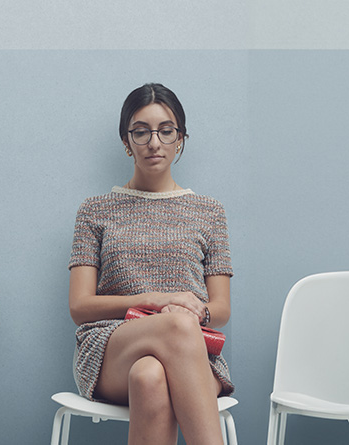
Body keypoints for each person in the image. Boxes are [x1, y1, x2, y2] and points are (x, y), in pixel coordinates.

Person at [67, 83, 233, 445]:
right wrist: (156, 300)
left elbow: (220, 309)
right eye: (141, 132)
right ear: (127, 142)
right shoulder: (95, 211)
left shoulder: (210, 212)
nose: (153, 142)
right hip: (110, 349)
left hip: (190, 348)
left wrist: (193, 316)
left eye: (165, 130)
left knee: (149, 377)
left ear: (181, 138)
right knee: (171, 328)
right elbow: (80, 308)